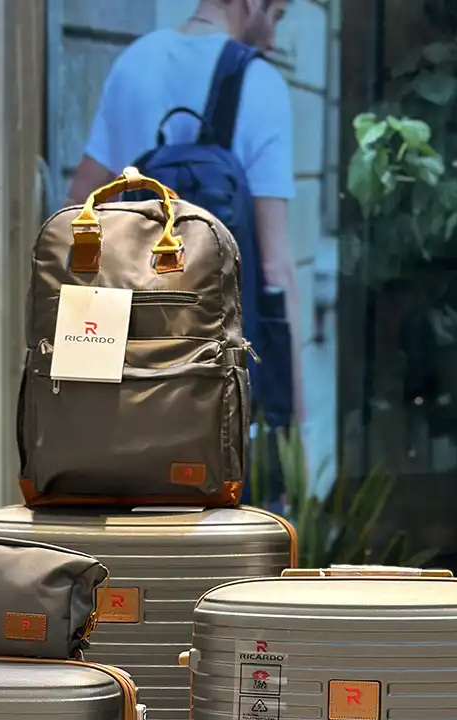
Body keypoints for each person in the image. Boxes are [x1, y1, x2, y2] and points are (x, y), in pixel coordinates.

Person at [67, 0, 305, 444]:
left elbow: (79, 209)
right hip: (216, 380)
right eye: (276, 15)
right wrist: (295, 424)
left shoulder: (133, 63)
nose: (273, 39)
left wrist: (83, 374)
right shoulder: (261, 85)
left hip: (131, 368)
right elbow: (275, 268)